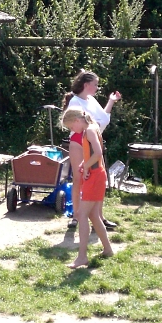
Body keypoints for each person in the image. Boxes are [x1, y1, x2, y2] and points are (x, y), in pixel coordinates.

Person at [62, 70, 121, 230]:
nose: (97, 87)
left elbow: (103, 119)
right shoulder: (75, 101)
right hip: (79, 142)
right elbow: (82, 124)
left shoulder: (92, 100)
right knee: (79, 179)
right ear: (86, 84)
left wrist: (111, 101)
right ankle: (76, 216)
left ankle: (99, 218)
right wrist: (94, 127)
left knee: (98, 180)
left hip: (93, 141)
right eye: (95, 84)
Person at [61, 107, 114, 269]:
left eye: (72, 126)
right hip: (96, 174)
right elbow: (91, 153)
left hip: (95, 176)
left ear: (77, 120)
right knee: (93, 215)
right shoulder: (90, 128)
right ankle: (108, 250)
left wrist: (86, 167)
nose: (72, 130)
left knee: (81, 215)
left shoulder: (90, 130)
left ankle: (82, 257)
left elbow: (98, 153)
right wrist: (85, 163)